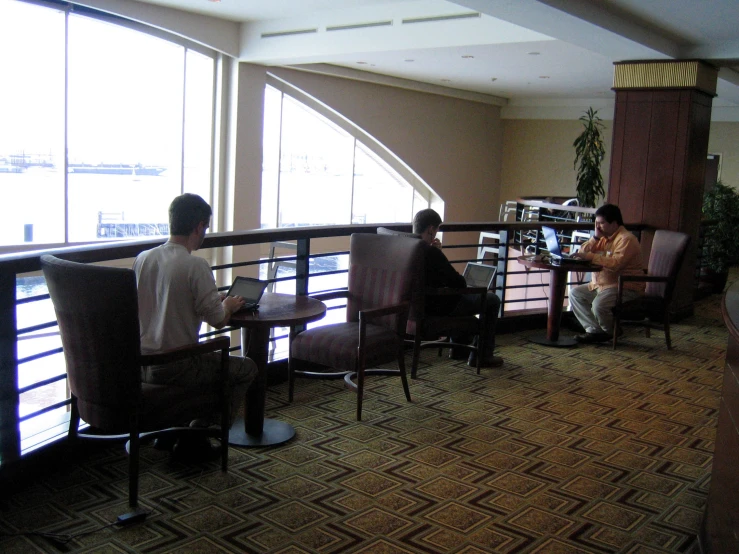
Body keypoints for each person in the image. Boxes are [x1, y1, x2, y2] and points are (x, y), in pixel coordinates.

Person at [134, 193, 257, 457]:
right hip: (177, 365)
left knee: (210, 365)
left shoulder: (144, 259)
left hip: (142, 364)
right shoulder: (196, 265)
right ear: (199, 226)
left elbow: (166, 303)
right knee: (245, 368)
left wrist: (214, 299)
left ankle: (176, 430)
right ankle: (199, 433)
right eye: (206, 228)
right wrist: (229, 305)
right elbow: (218, 320)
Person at [412, 209, 503, 367]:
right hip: (438, 308)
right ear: (431, 229)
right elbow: (458, 283)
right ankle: (482, 356)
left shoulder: (406, 247)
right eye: (437, 229)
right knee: (491, 299)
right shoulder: (431, 253)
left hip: (416, 308)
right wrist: (439, 253)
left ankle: (459, 350)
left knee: (463, 301)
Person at [569, 203, 644, 344]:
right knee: (575, 294)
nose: (598, 227)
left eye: (601, 223)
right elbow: (582, 252)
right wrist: (595, 238)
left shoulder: (626, 239)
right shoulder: (603, 237)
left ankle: (612, 332)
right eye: (596, 223)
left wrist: (591, 257)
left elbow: (616, 264)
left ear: (614, 223)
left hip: (625, 286)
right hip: (602, 285)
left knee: (599, 305)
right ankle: (594, 331)